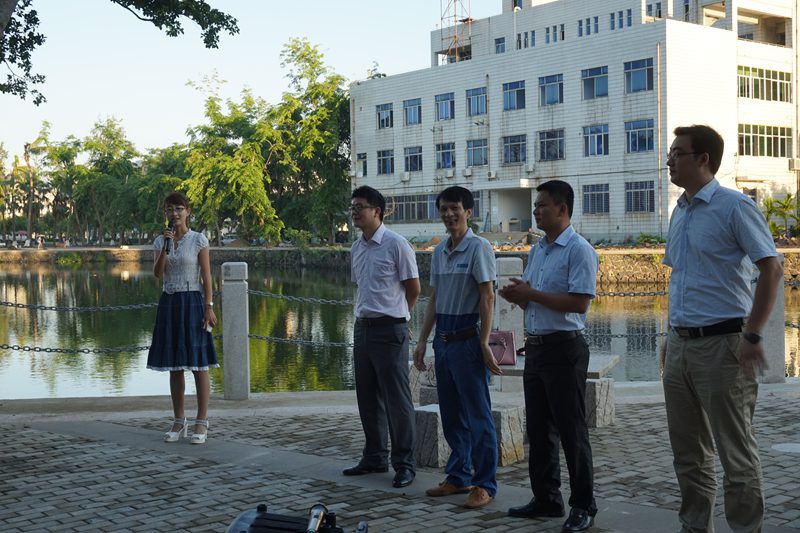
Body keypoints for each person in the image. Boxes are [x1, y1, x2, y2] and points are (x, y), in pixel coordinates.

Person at [661, 125, 782, 533]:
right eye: (670, 154)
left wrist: (753, 333)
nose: (669, 161)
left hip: (724, 345)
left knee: (735, 452)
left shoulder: (735, 207)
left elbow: (771, 268)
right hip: (681, 345)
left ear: (703, 159)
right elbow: (679, 279)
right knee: (688, 452)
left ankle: (746, 528)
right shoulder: (680, 211)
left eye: (677, 153)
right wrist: (669, 336)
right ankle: (695, 526)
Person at [499, 180, 599, 533]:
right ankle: (546, 497)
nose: (536, 211)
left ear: (562, 208)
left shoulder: (579, 250)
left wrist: (532, 295)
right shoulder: (539, 250)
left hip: (564, 349)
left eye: (542, 205)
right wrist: (519, 296)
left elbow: (579, 302)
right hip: (537, 348)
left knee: (572, 430)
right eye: (535, 206)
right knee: (539, 430)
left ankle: (583, 505)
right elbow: (534, 296)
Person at [413, 185, 502, 509]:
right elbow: (434, 299)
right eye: (444, 209)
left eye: (455, 208)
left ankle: (485, 484)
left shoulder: (479, 248)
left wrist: (484, 342)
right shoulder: (440, 251)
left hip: (467, 341)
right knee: (451, 415)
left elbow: (487, 297)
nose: (449, 214)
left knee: (478, 416)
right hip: (444, 341)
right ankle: (458, 476)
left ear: (468, 212)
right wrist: (423, 340)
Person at [343, 185, 420, 489]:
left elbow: (413, 289)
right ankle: (375, 456)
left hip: (391, 330)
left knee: (396, 399)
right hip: (363, 328)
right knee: (367, 396)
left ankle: (405, 464)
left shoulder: (397, 244)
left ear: (377, 211)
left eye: (359, 206)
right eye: (352, 206)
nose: (354, 211)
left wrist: (401, 317)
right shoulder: (356, 248)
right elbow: (362, 287)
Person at [147, 191, 219, 445]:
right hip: (169, 301)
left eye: (179, 208)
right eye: (170, 209)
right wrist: (165, 248)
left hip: (192, 301)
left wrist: (209, 306)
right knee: (175, 365)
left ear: (187, 211)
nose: (174, 213)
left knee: (199, 365)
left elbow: (207, 276)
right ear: (165, 213)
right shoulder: (160, 241)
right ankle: (179, 420)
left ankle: (202, 420)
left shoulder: (198, 239)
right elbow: (157, 273)